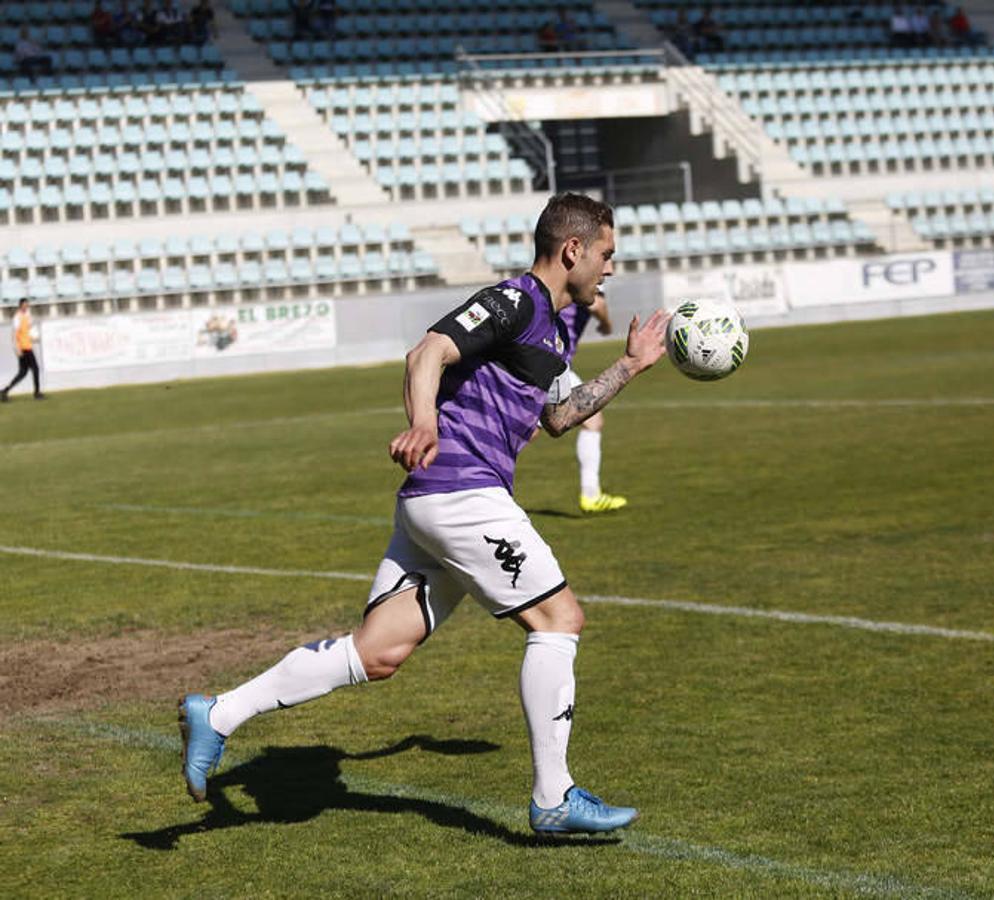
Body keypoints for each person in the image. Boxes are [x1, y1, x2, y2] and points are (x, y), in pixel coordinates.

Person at [178, 193, 670, 835]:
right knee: (559, 617)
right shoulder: (515, 300)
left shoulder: (547, 329)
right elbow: (428, 352)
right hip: (460, 490)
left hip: (441, 502)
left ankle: (217, 714)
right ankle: (554, 797)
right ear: (572, 249)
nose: (609, 269)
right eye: (605, 254)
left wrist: (631, 365)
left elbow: (560, 417)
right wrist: (423, 422)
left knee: (378, 652)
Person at [558, 288, 627, 513]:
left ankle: (591, 494)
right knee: (593, 421)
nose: (610, 269)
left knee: (525, 430)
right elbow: (596, 304)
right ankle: (591, 495)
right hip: (555, 363)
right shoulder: (592, 270)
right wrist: (606, 324)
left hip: (554, 361)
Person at [2, 299, 45, 402]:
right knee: (35, 369)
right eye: (24, 305)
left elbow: (27, 331)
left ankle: (4, 391)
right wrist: (16, 349)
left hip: (28, 346)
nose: (26, 307)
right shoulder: (17, 317)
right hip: (23, 348)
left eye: (27, 305)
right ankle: (37, 393)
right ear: (20, 306)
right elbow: (14, 334)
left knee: (23, 373)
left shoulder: (27, 316)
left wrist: (33, 338)